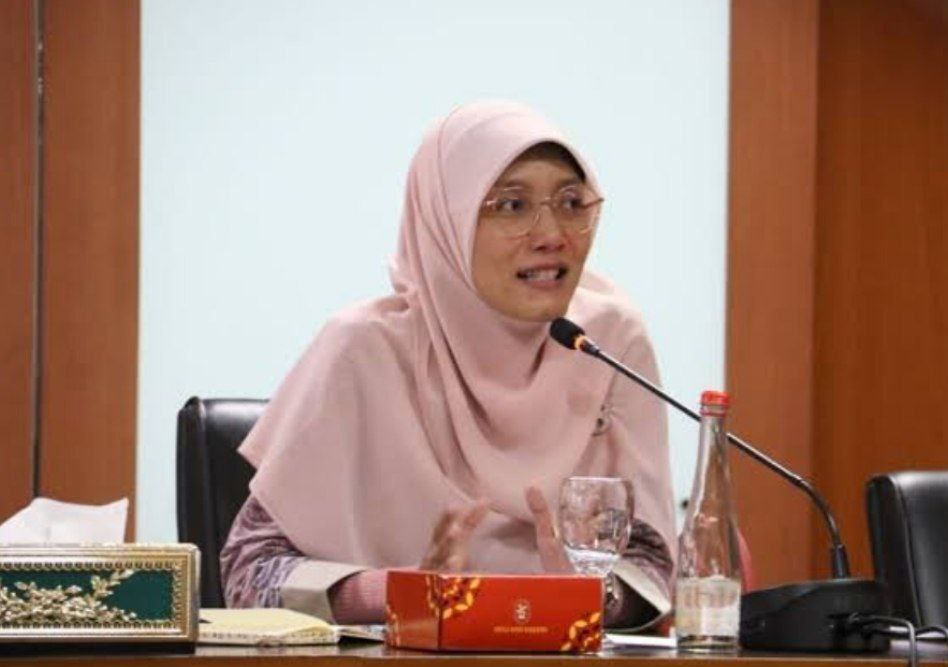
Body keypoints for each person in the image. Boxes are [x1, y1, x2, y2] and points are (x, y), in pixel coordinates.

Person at [220, 101, 736, 630]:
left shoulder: (605, 341)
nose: (553, 234)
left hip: (563, 664)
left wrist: (591, 595)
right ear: (447, 221)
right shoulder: (363, 350)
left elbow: (652, 565)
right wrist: (401, 591)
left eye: (571, 202)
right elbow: (248, 572)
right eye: (512, 205)